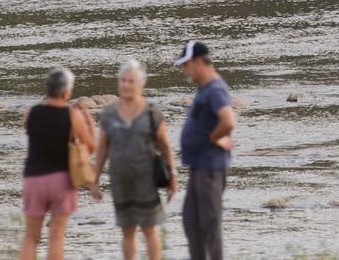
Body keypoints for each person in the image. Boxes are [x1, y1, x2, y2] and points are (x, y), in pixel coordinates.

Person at [91, 59, 177, 260]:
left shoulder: (152, 112)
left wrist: (173, 177)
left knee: (149, 229)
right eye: (122, 80)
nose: (126, 85)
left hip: (146, 181)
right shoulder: (109, 114)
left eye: (130, 81)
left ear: (141, 84)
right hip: (121, 181)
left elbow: (165, 146)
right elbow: (102, 148)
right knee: (127, 230)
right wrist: (94, 180)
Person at [20, 67, 96, 260]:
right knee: (56, 236)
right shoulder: (72, 115)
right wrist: (87, 118)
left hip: (34, 179)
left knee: (31, 237)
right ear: (66, 92)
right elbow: (91, 147)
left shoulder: (30, 113)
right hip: (62, 180)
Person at [174, 40, 236, 260]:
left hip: (209, 168)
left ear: (199, 62)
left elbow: (228, 120)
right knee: (191, 220)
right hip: (198, 166)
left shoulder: (215, 89)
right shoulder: (205, 89)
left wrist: (213, 137)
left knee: (209, 225)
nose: (184, 69)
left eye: (186, 64)